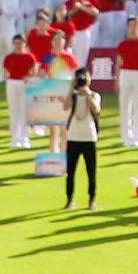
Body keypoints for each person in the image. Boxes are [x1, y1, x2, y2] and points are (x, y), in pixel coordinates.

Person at [56, 75, 104, 209]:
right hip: (73, 137)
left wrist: (87, 94)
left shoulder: (94, 95)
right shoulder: (73, 96)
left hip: (89, 137)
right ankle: (69, 200)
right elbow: (65, 107)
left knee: (91, 171)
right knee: (70, 172)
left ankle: (92, 200)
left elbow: (96, 109)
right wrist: (71, 89)